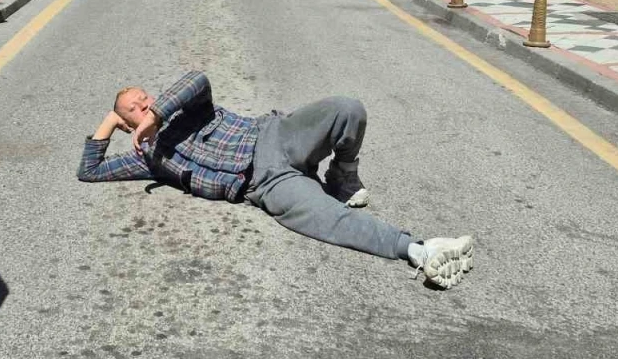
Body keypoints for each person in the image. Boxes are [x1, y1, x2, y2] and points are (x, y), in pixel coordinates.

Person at [76, 72, 476, 290]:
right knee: (329, 220)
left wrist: (155, 114)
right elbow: (89, 170)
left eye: (145, 98)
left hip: (274, 135)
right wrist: (110, 120)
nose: (145, 105)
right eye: (134, 108)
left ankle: (343, 174)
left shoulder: (181, 110)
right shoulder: (148, 159)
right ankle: (421, 250)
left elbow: (196, 80)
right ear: (126, 122)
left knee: (347, 109)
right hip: (262, 183)